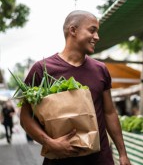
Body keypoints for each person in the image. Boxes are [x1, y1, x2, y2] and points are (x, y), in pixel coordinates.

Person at [20, 10, 131, 165]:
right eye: (92, 30)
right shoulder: (42, 69)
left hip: (100, 159)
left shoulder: (100, 69)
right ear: (73, 30)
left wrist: (123, 154)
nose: (97, 37)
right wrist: (50, 143)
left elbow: (109, 113)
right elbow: (25, 117)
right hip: (59, 160)